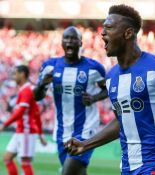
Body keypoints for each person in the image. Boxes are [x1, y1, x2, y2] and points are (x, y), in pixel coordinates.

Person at [65, 4, 155, 175]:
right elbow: (121, 121)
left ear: (128, 33)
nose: (102, 33)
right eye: (103, 28)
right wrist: (85, 144)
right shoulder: (111, 78)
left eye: (109, 28)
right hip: (128, 165)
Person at [33, 26, 108, 175]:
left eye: (73, 38)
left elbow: (108, 89)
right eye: (66, 38)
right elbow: (36, 96)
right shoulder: (50, 67)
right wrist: (42, 84)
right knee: (77, 172)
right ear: (61, 42)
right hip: (62, 131)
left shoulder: (94, 68)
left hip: (86, 129)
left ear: (80, 43)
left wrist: (94, 98)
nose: (69, 41)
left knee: (67, 172)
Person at [0, 65, 47, 175]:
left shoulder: (28, 90)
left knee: (25, 163)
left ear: (22, 74)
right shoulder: (26, 90)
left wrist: (4, 125)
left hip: (26, 132)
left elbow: (20, 112)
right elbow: (36, 113)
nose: (13, 77)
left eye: (15, 74)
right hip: (20, 131)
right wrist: (41, 134)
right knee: (7, 158)